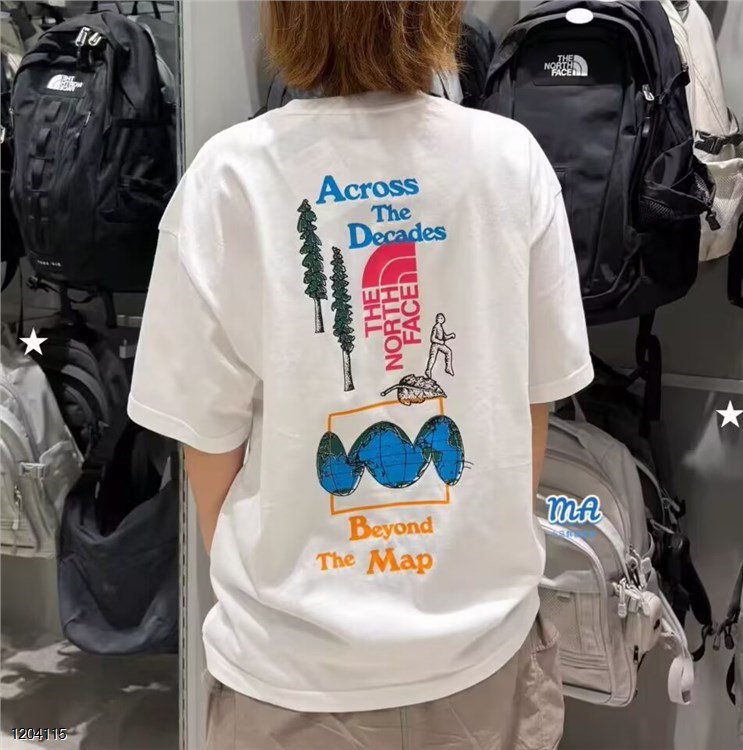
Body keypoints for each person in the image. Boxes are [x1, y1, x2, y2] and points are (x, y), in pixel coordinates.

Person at [128, 2, 593, 748]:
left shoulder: (230, 177)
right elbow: (529, 418)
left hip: (291, 679)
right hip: (478, 660)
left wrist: (297, 577)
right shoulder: (510, 162)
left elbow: (207, 452)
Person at [425, 313, 455, 379]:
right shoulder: (435, 327)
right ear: (437, 319)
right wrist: (440, 342)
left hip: (440, 345)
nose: (442, 319)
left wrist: (450, 336)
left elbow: (444, 337)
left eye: (442, 318)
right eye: (440, 318)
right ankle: (428, 370)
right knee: (432, 358)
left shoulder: (441, 327)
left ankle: (448, 368)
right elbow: (432, 339)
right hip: (435, 345)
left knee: (448, 351)